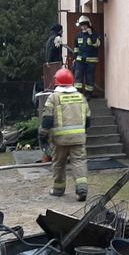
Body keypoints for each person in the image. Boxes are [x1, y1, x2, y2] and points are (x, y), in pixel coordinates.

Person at [39, 68, 90, 202]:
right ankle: (81, 190)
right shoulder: (80, 97)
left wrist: (43, 135)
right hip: (78, 139)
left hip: (60, 140)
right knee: (79, 162)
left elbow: (47, 120)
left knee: (59, 163)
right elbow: (88, 119)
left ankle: (58, 189)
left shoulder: (53, 98)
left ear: (57, 82)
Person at [73, 15, 101, 98]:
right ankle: (79, 93)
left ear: (88, 25)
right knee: (78, 77)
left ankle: (89, 94)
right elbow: (76, 49)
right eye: (82, 25)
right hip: (80, 61)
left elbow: (97, 44)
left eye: (85, 25)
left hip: (91, 61)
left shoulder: (94, 34)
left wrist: (91, 34)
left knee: (89, 78)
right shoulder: (78, 36)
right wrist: (75, 59)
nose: (83, 27)